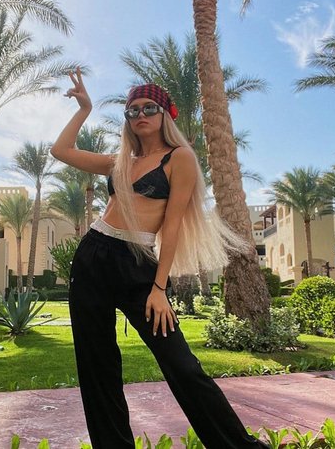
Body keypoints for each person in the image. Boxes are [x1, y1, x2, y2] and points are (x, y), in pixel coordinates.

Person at [51, 68, 270, 449]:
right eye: (132, 109)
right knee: (97, 365)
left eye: (148, 107)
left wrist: (159, 288)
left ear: (165, 113)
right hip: (92, 258)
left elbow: (172, 225)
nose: (140, 114)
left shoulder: (179, 158)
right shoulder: (120, 161)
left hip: (137, 263)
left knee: (182, 366)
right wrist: (84, 109)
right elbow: (61, 151)